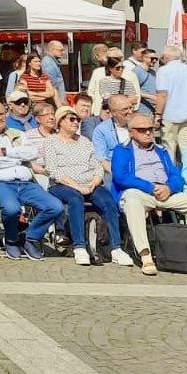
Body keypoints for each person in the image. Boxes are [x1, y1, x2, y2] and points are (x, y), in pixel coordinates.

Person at [112, 111, 187, 276]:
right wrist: (150, 187)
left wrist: (169, 188)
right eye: (141, 129)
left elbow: (176, 176)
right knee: (132, 200)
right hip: (140, 192)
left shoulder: (161, 150)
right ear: (131, 132)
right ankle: (146, 256)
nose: (147, 133)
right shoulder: (122, 150)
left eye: (150, 129)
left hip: (166, 192)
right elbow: (121, 177)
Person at [0, 101, 64, 261]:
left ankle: (30, 237)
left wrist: (4, 152)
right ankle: (11, 239)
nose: (1, 117)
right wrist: (17, 158)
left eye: (2, 113)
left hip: (26, 182)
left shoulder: (17, 133)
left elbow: (32, 153)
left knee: (55, 207)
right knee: (11, 209)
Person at [44, 105, 131, 267]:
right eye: (71, 119)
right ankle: (79, 246)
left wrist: (95, 181)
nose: (76, 122)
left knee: (108, 201)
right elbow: (53, 170)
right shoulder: (51, 142)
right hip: (62, 185)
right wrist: (76, 186)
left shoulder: (84, 141)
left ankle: (115, 247)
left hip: (89, 184)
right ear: (60, 121)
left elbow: (97, 166)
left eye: (77, 119)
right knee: (75, 199)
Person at [155, 45, 187, 161]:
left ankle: (171, 176)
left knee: (169, 148)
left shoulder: (163, 71)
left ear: (166, 57)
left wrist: (157, 114)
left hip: (169, 114)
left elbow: (162, 94)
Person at [130, 46, 158, 117]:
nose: (154, 61)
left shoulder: (153, 72)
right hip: (141, 109)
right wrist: (151, 97)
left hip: (152, 109)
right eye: (152, 59)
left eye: (156, 59)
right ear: (144, 58)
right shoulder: (137, 71)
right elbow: (133, 90)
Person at [40, 40, 67, 106]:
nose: (63, 52)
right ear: (52, 49)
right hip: (54, 101)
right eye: (61, 50)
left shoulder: (52, 62)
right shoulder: (48, 63)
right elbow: (52, 85)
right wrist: (60, 103)